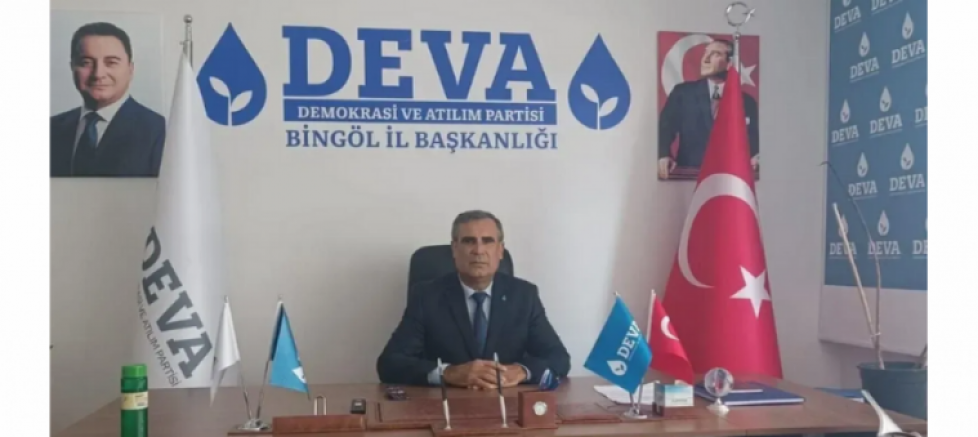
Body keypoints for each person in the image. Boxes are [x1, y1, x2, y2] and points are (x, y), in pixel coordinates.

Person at [377, 210, 571, 389]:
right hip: (446, 405)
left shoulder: (524, 296)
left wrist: (521, 371)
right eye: (469, 241)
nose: (478, 250)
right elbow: (390, 364)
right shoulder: (426, 296)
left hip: (507, 404)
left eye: (487, 241)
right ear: (455, 249)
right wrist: (449, 373)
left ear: (500, 250)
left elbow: (559, 358)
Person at [50, 22, 166, 177]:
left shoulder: (158, 130)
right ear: (72, 67)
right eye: (86, 63)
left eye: (111, 63)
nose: (98, 74)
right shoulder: (52, 128)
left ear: (130, 69)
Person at [658, 39, 759, 179]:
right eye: (705, 53)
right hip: (688, 178)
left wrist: (757, 157)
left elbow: (754, 144)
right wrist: (663, 155)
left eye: (715, 54)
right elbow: (664, 129)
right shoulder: (683, 93)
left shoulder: (747, 102)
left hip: (729, 180)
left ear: (730, 64)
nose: (705, 59)